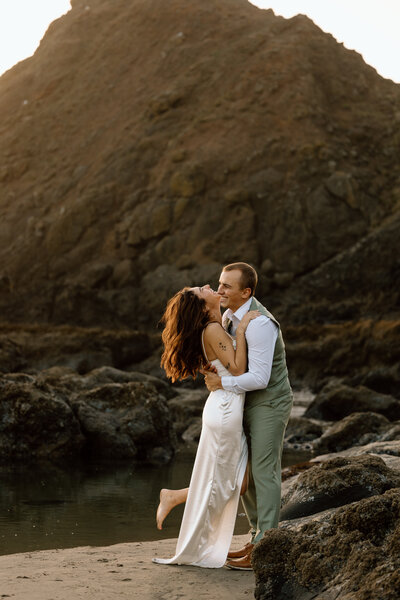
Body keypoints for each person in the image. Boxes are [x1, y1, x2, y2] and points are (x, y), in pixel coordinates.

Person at [152, 285, 259, 568]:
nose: (209, 286)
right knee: (228, 482)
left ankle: (175, 496)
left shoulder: (216, 324)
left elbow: (223, 363)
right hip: (225, 410)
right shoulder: (212, 329)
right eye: (202, 290)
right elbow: (237, 369)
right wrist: (242, 329)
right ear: (202, 306)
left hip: (225, 405)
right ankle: (178, 505)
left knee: (241, 480)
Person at [203, 262, 293, 571]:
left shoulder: (260, 324)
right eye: (219, 284)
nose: (220, 290)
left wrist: (221, 383)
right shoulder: (228, 316)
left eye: (227, 286)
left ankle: (266, 545)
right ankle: (256, 538)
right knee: (245, 474)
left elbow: (260, 378)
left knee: (263, 471)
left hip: (269, 403)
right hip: (243, 404)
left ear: (247, 292)